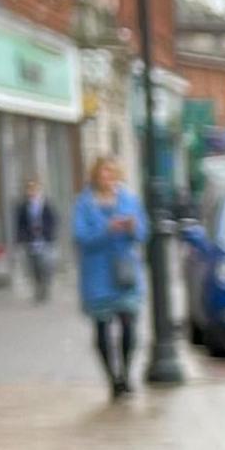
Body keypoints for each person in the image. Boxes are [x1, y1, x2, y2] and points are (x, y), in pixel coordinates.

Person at [71, 157, 146, 398]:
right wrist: (107, 229)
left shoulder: (128, 199)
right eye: (103, 174)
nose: (108, 178)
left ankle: (125, 372)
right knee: (102, 328)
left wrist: (133, 227)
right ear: (95, 176)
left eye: (112, 174)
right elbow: (80, 237)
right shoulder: (84, 204)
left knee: (129, 325)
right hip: (97, 275)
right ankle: (112, 378)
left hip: (124, 272)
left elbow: (144, 233)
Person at [12, 176, 59, 303]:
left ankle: (45, 286)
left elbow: (53, 220)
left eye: (34, 189)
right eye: (30, 189)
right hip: (30, 241)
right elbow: (19, 224)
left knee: (46, 265)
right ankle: (38, 288)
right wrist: (21, 238)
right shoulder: (23, 206)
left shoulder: (46, 204)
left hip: (45, 240)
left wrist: (48, 233)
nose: (32, 191)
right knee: (33, 267)